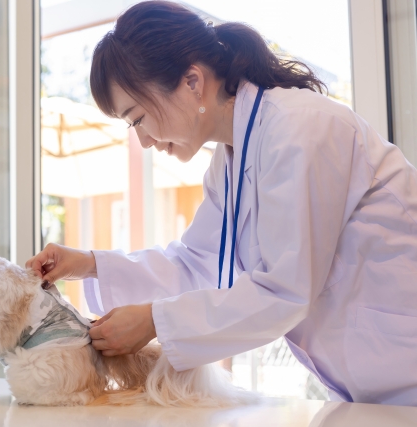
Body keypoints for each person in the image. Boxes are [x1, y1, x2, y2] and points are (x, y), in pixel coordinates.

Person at [26, 0, 417, 406]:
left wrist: (156, 320)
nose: (142, 140)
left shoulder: (301, 128)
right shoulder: (230, 161)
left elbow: (285, 290)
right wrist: (89, 263)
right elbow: (196, 263)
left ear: (192, 81)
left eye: (138, 117)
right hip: (368, 388)